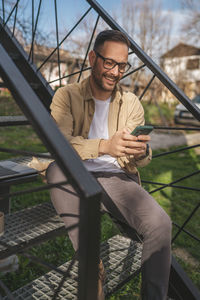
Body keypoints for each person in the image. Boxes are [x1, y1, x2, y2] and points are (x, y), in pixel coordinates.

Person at [46, 30, 172, 300]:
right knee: (55, 170)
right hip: (72, 172)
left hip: (116, 177)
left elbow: (140, 158)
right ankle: (92, 268)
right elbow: (59, 143)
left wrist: (139, 152)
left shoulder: (132, 103)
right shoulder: (65, 96)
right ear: (93, 58)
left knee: (161, 223)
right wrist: (105, 146)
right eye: (109, 63)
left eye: (122, 65)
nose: (116, 72)